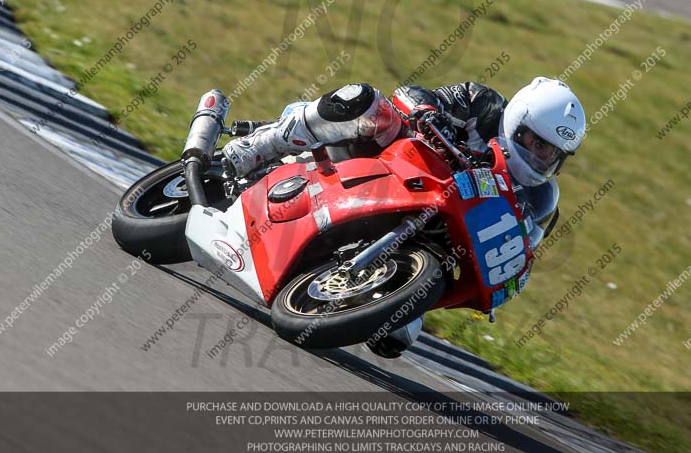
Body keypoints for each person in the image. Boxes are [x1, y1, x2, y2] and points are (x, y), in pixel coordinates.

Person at [221, 77, 586, 357]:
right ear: (517, 123)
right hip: (388, 162)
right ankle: (260, 147)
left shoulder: (536, 196)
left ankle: (365, 282)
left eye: (551, 152)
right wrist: (427, 113)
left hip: (424, 233)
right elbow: (413, 94)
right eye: (536, 142)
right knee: (365, 101)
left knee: (395, 338)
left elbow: (521, 247)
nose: (541, 157)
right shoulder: (483, 104)